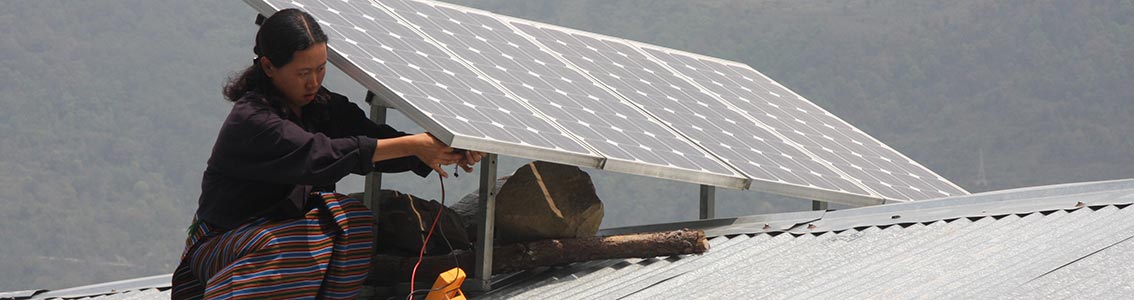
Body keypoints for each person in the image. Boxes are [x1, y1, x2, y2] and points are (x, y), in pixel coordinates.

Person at [171, 8, 483, 299]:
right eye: (303, 73)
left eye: (321, 69)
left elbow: (374, 140)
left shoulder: (320, 106)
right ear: (268, 67)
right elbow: (319, 156)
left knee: (354, 220)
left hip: (275, 236)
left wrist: (443, 150)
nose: (314, 82)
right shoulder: (253, 120)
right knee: (296, 243)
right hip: (224, 246)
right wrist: (414, 145)